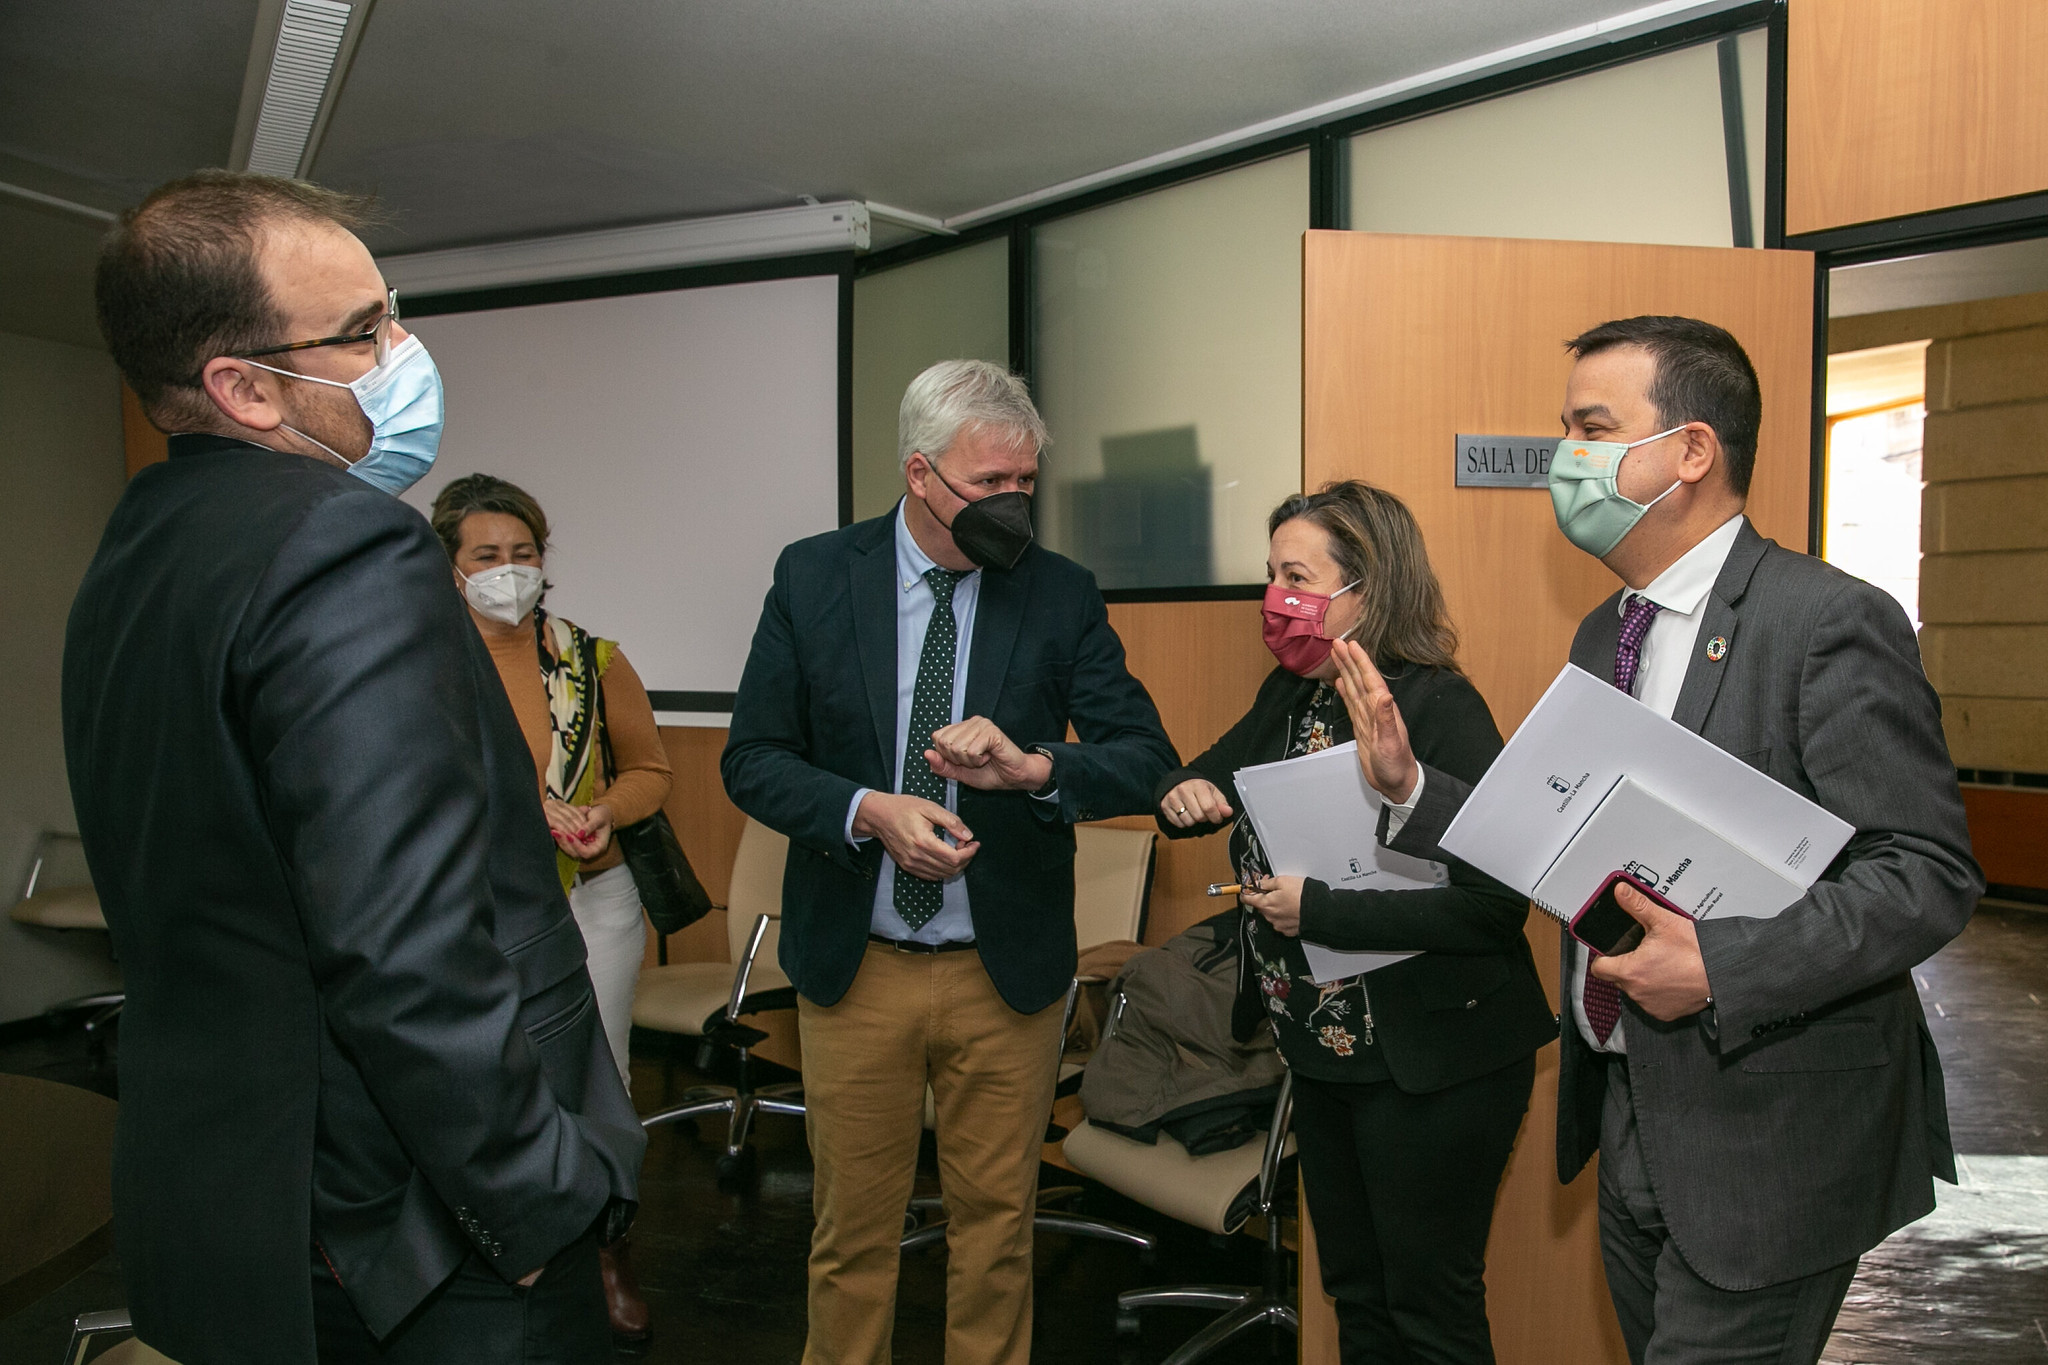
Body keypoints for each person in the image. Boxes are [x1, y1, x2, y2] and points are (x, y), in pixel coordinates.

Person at [64, 171, 643, 1365]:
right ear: (244, 387)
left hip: (232, 1193)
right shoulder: (349, 544)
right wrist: (533, 1202)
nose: (402, 353)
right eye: (363, 330)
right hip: (410, 1228)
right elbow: (404, 942)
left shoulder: (140, 544)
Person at [1341, 316, 1981, 1365]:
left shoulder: (1824, 620)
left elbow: (1925, 872)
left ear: (1690, 452)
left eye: (1591, 430)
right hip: (1630, 1105)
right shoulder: (1607, 632)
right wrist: (1412, 786)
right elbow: (1565, 835)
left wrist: (1721, 966)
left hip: (1771, 1130)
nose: (1563, 459)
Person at [723, 358, 1178, 1365]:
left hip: (1002, 971)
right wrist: (867, 811)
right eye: (989, 483)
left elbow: (1146, 759)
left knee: (996, 1239)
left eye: (1026, 482)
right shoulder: (814, 576)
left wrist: (1034, 767)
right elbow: (751, 759)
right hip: (857, 966)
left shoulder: (1057, 592)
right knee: (850, 1240)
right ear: (920, 474)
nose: (1013, 504)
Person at [1154, 480, 1554, 1363]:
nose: (1274, 598)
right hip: (1322, 1054)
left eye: (1296, 577)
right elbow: (1207, 774)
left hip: (1434, 1061)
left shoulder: (1439, 706)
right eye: (1270, 575)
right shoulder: (1291, 694)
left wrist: (1321, 910)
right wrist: (1183, 793)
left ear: (1367, 587)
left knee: (1429, 1307)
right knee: (1356, 1296)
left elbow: (1497, 903)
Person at [429, 472, 674, 1350]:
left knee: (597, 1074)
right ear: (450, 566)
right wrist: (516, 811)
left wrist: (603, 810)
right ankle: (489, 1246)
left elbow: (651, 770)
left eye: (523, 552)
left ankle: (608, 1249)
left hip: (593, 895)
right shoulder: (419, 659)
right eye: (486, 554)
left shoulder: (589, 658)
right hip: (469, 904)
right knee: (483, 1077)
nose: (509, 570)